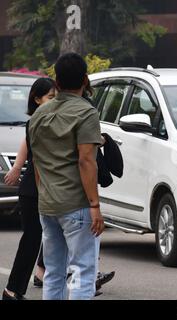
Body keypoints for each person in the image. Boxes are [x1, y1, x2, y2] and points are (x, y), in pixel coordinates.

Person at [28, 53, 104, 300]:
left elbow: (37, 160)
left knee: (53, 272)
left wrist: (44, 194)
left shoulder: (39, 114)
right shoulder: (86, 113)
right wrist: (95, 205)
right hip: (77, 204)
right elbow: (86, 160)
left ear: (57, 83)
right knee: (83, 272)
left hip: (47, 204)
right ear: (85, 79)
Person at [2, 78, 56, 300]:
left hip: (44, 188)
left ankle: (22, 286)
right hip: (33, 190)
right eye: (50, 98)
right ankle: (12, 290)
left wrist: (17, 167)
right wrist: (16, 168)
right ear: (37, 99)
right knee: (32, 240)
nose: (55, 102)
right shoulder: (38, 122)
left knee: (46, 238)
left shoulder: (45, 120)